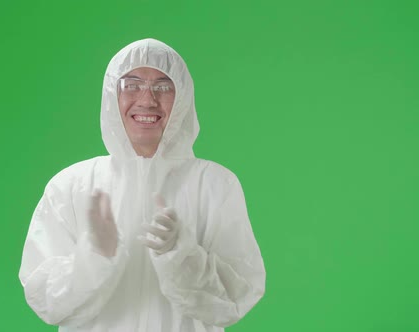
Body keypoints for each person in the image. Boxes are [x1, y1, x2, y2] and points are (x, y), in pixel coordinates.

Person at [18, 38, 265, 332]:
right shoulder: (72, 186)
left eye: (163, 87)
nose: (147, 100)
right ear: (111, 94)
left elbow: (237, 298)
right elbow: (46, 300)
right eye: (131, 85)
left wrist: (183, 255)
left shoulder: (215, 185)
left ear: (183, 97)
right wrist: (94, 256)